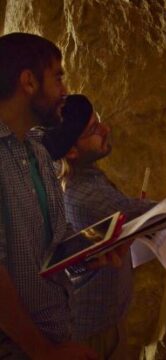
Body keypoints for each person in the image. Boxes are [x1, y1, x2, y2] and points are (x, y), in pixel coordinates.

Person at [42, 94, 166, 359]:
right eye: (93, 129)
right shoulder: (88, 196)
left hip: (94, 324)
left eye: (98, 120)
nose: (106, 129)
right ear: (71, 150)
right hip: (95, 336)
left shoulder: (69, 178)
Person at [0, 33, 100, 359]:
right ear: (29, 81)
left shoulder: (38, 153)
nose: (64, 91)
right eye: (57, 76)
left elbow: (55, 244)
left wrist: (95, 248)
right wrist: (43, 353)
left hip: (57, 335)